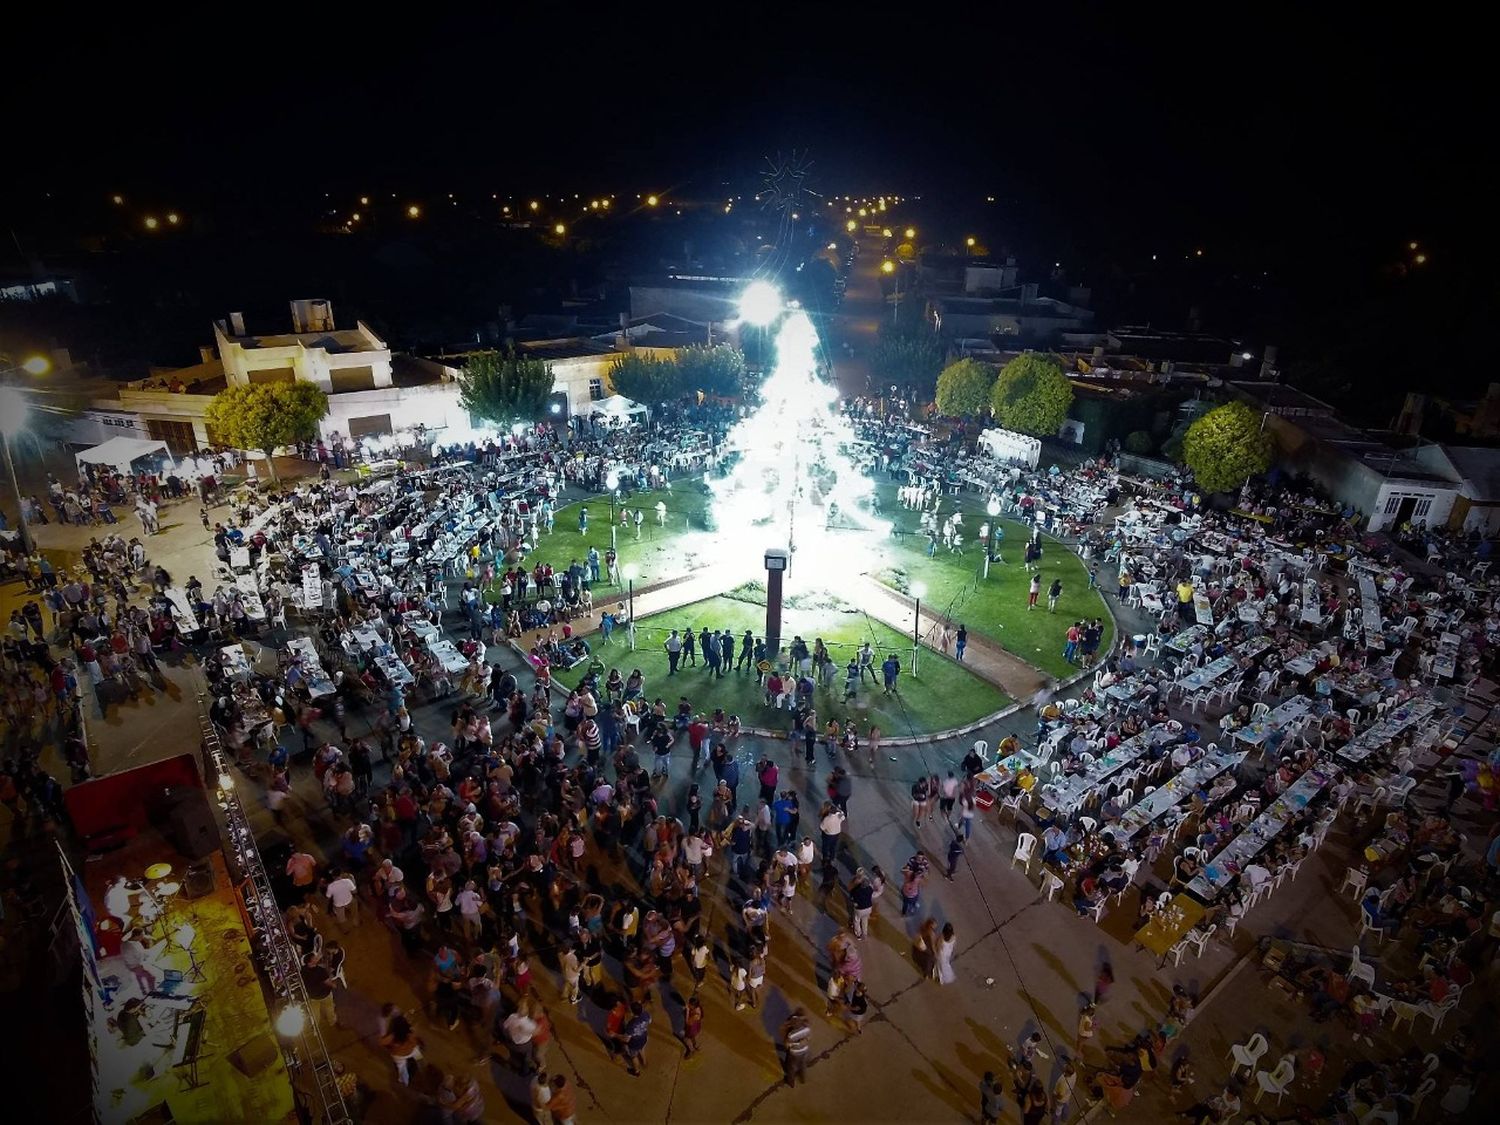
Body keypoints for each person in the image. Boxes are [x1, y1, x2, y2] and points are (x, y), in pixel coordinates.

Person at [780, 1007, 812, 1086]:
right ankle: (803, 1078)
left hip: (794, 1053)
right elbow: (809, 1038)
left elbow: (787, 1045)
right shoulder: (807, 1029)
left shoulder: (791, 1035)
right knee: (802, 1065)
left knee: (791, 1067)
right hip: (804, 1051)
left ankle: (791, 1082)